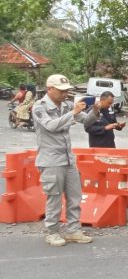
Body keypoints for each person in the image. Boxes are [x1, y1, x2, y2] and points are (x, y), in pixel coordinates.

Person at [33, 74, 99, 246]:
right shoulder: (40, 107)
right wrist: (73, 112)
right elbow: (51, 126)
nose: (65, 94)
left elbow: (86, 122)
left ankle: (73, 230)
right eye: (61, 91)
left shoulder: (67, 106)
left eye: (67, 91)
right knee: (54, 198)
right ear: (50, 89)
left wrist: (97, 109)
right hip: (51, 160)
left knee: (75, 196)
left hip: (68, 158)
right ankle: (52, 232)